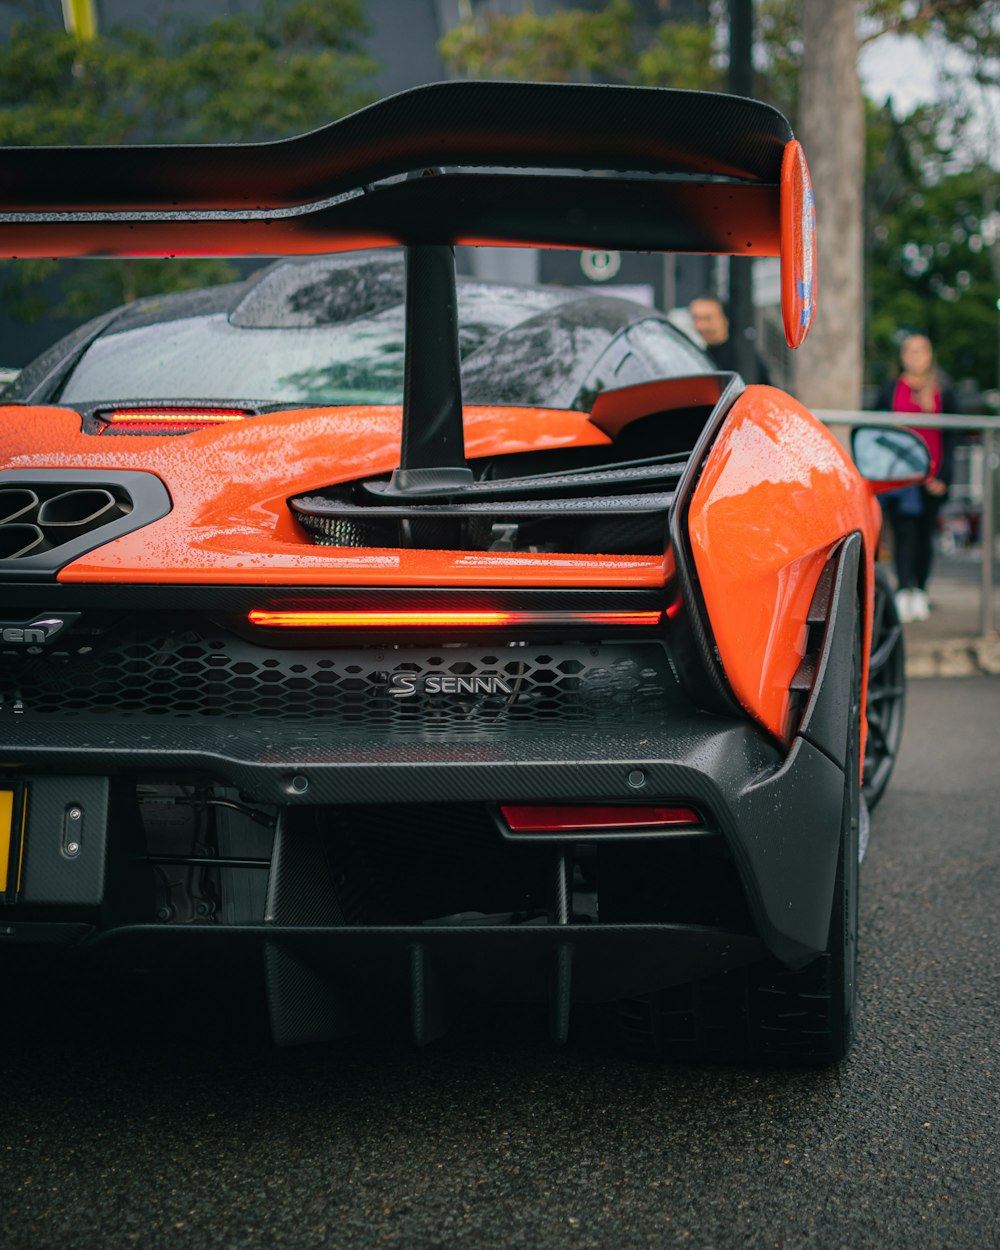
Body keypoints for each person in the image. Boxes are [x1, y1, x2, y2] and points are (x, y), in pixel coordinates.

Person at [875, 333, 957, 623]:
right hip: (901, 478)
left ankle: (920, 590)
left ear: (930, 355)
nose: (915, 356)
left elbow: (950, 439)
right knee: (903, 535)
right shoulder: (889, 390)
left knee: (925, 536)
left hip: (932, 478)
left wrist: (944, 477)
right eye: (910, 350)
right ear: (902, 356)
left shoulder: (943, 391)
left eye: (921, 350)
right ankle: (903, 590)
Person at [688, 294, 772, 385]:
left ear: (725, 319)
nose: (700, 326)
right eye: (696, 318)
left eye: (707, 318)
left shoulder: (744, 356)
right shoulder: (698, 357)